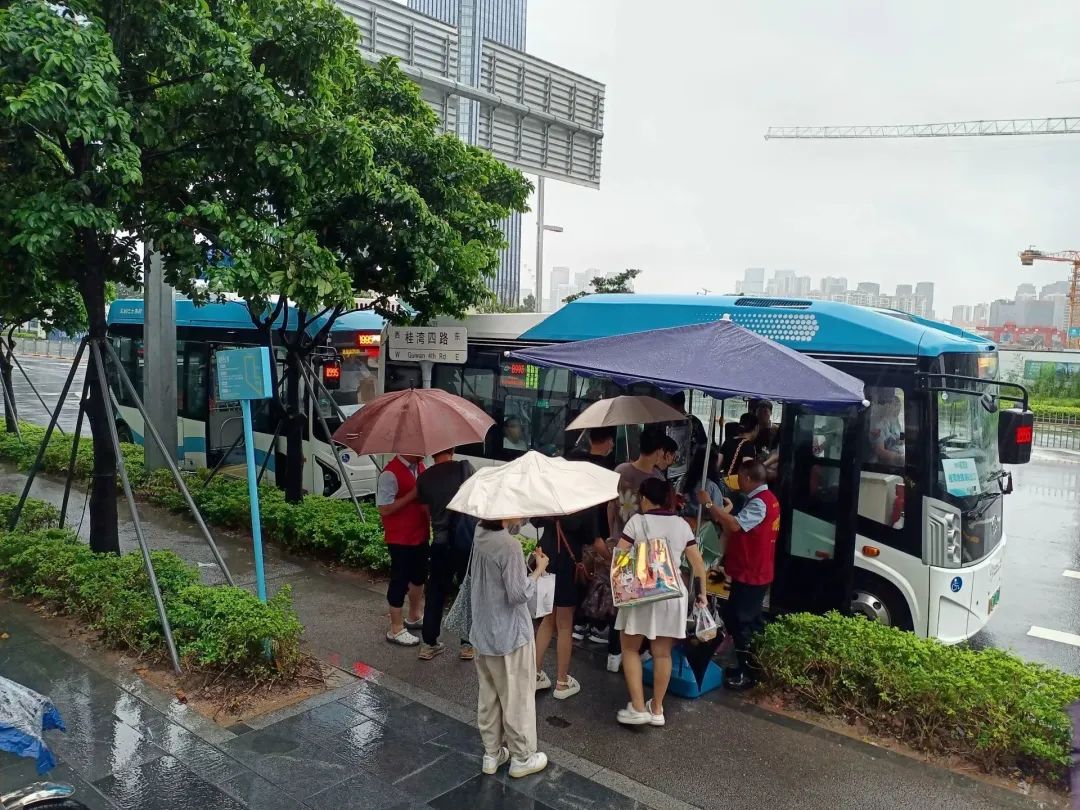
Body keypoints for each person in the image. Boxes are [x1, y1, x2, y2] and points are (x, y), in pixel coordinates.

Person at [614, 477, 708, 726]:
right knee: (662, 653)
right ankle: (656, 709)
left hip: (641, 593)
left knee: (630, 648)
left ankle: (637, 707)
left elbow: (620, 555)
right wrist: (702, 595)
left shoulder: (637, 522)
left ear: (645, 499)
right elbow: (698, 565)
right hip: (672, 594)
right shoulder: (681, 525)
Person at [470, 517, 551, 779]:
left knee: (490, 696)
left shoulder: (480, 531)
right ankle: (522, 757)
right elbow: (518, 594)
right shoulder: (509, 546)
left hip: (483, 631)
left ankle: (491, 754)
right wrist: (538, 570)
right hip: (509, 634)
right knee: (517, 697)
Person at [695, 460, 780, 690]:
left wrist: (709, 503)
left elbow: (735, 525)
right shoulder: (767, 500)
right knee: (739, 617)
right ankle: (748, 665)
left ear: (748, 478)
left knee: (741, 622)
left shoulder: (760, 503)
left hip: (752, 573)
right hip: (752, 571)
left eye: (740, 477)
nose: (738, 481)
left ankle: (748, 673)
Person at [416, 448, 476, 661]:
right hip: (464, 542)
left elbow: (426, 511)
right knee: (466, 589)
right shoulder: (465, 468)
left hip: (440, 542)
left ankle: (429, 643)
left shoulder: (424, 478)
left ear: (433, 453)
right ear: (452, 449)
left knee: (435, 591)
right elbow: (476, 500)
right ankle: (467, 645)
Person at [377, 454, 430, 646]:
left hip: (420, 533)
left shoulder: (421, 467)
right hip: (400, 537)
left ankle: (414, 615)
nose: (424, 451)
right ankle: (396, 628)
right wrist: (412, 495)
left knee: (419, 576)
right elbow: (384, 508)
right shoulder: (390, 474)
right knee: (399, 579)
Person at [678, 444, 724, 521]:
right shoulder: (711, 485)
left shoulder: (684, 480)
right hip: (705, 523)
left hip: (686, 520)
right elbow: (717, 516)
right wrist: (730, 506)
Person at [869, 391, 905, 466]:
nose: (897, 412)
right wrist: (899, 459)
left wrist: (901, 439)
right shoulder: (878, 425)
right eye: (895, 408)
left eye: (898, 408)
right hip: (889, 460)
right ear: (887, 407)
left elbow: (899, 433)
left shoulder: (892, 420)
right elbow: (880, 451)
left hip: (899, 451)